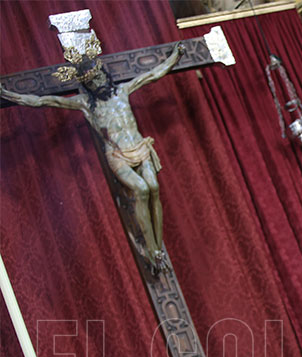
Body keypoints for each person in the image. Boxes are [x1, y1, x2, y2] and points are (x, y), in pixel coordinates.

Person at [0, 37, 184, 272]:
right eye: (92, 82)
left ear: (105, 75)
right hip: (118, 155)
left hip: (140, 147)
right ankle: (152, 249)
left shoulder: (123, 91)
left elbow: (153, 74)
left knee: (154, 188)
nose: (98, 83)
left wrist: (176, 56)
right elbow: (43, 101)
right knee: (142, 189)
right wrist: (7, 94)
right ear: (87, 86)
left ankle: (158, 248)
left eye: (98, 77)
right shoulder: (85, 104)